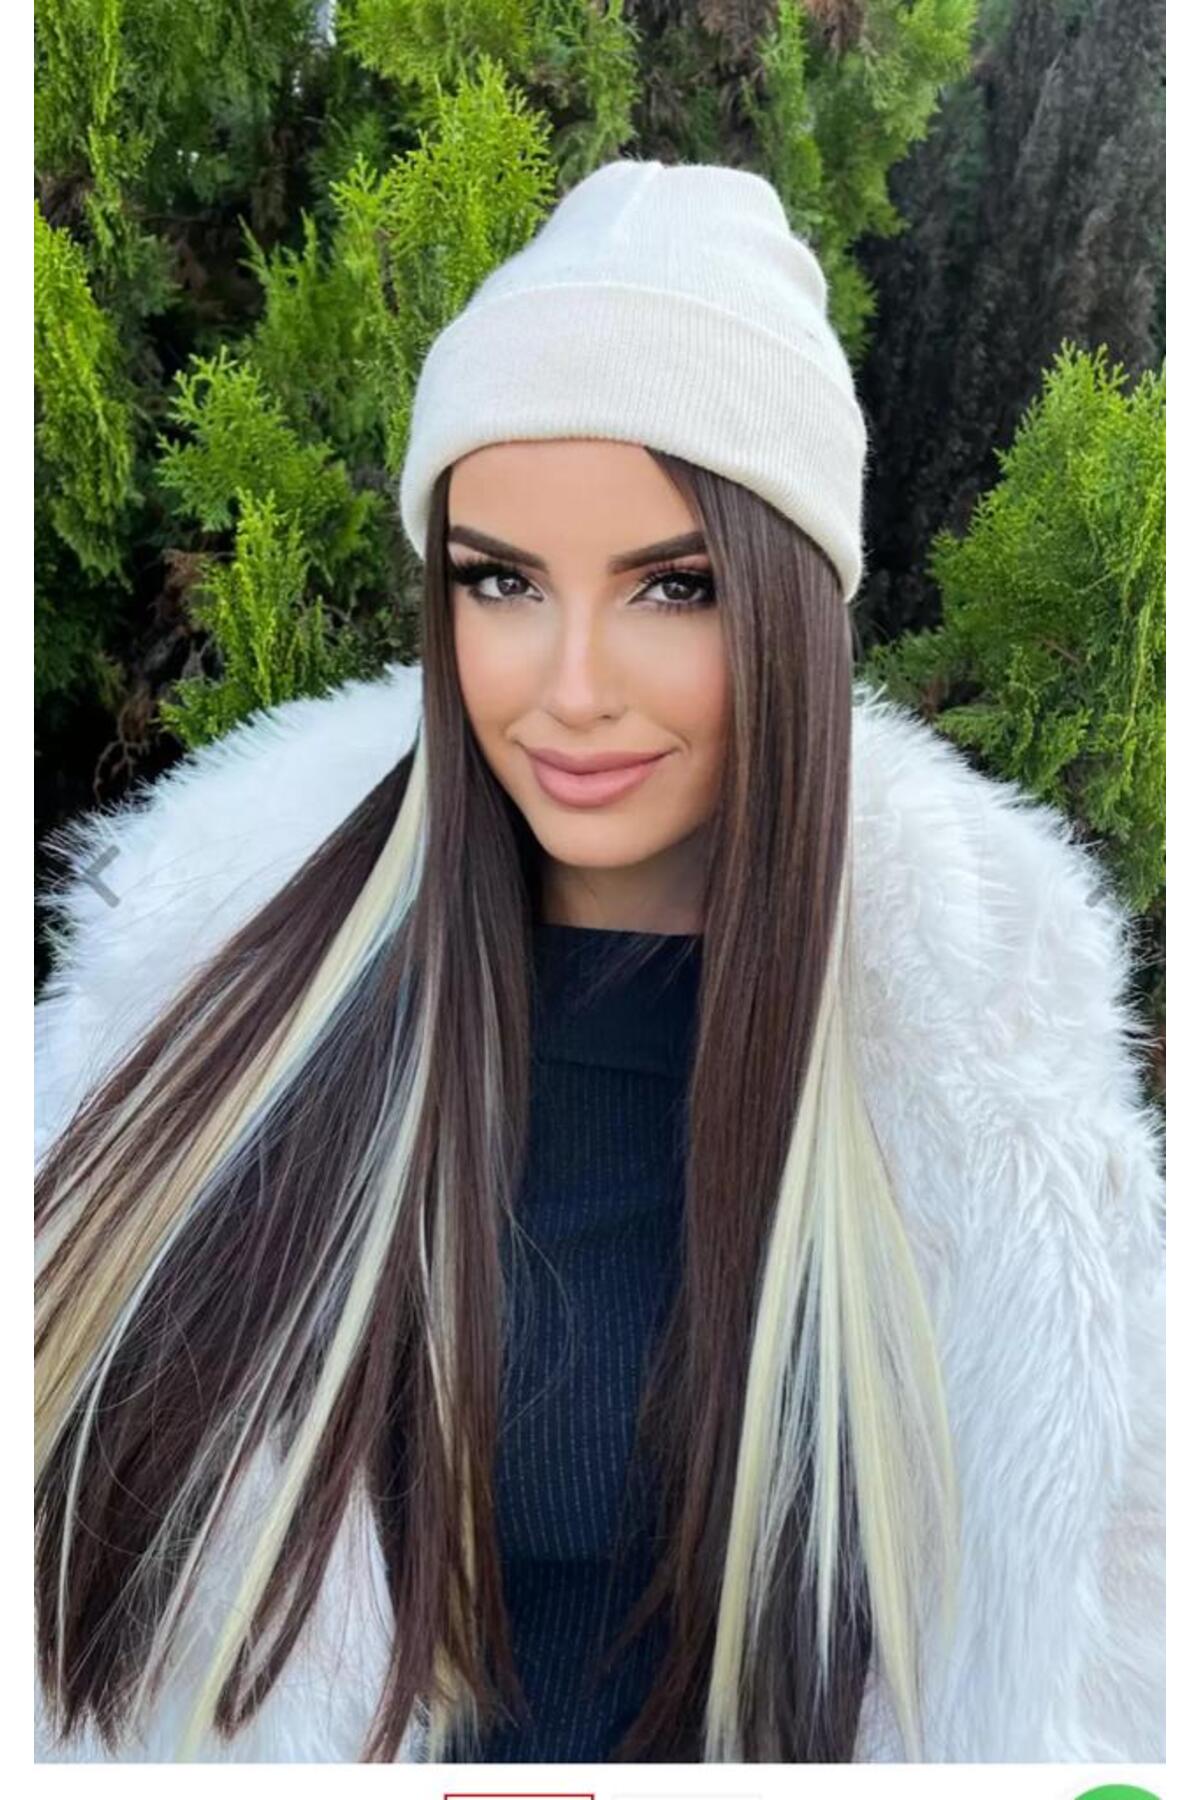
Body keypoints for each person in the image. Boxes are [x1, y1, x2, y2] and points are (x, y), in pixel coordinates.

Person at [34, 159, 1165, 1765]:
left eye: (673, 588)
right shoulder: (203, 1017)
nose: (570, 688)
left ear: (791, 619)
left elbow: (1094, 1686)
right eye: (501, 580)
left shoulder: (996, 1117)